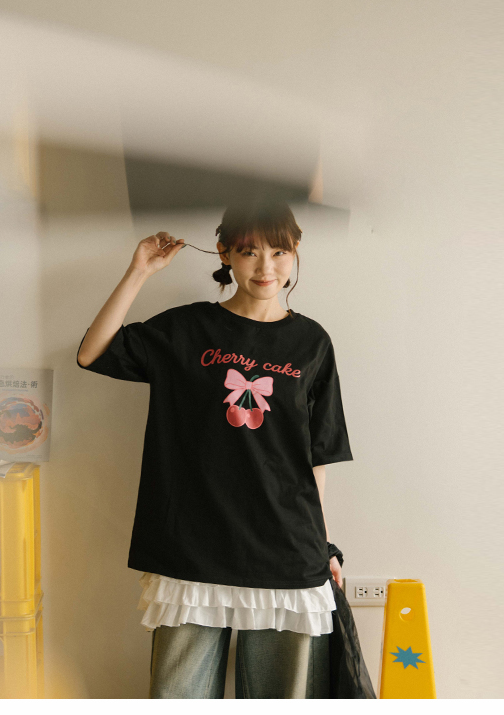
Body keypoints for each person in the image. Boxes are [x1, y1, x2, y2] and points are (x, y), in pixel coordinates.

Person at [76, 199, 353, 698]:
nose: (266, 267)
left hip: (286, 549)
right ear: (224, 253)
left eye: (279, 252)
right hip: (192, 546)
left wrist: (324, 545)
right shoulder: (186, 328)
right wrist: (139, 272)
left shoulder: (312, 342)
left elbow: (317, 456)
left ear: (295, 251)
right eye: (249, 252)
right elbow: (91, 353)